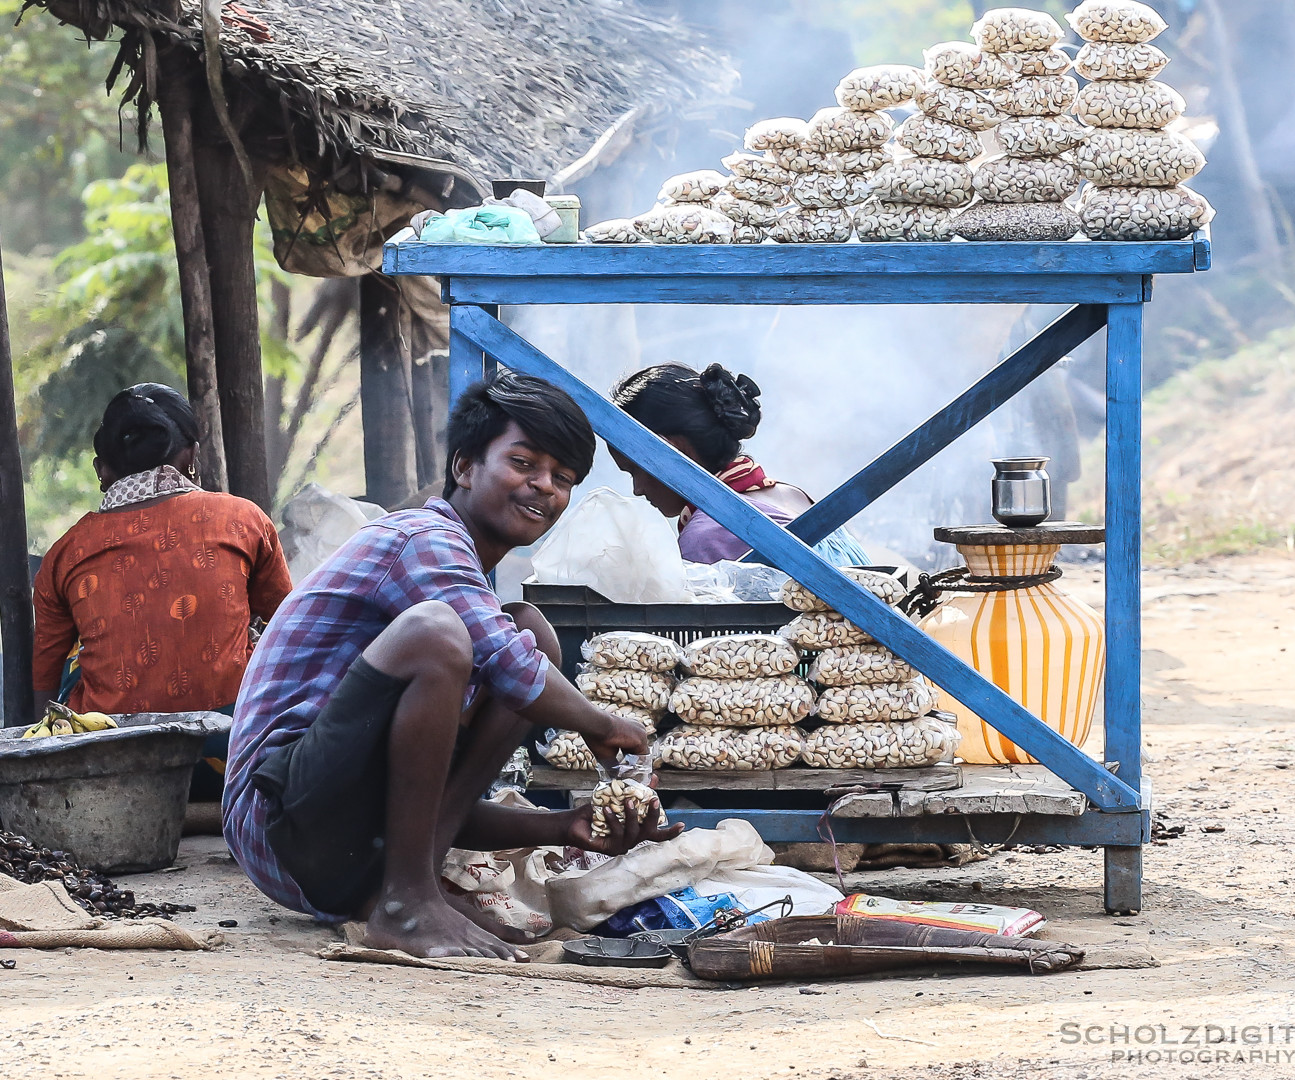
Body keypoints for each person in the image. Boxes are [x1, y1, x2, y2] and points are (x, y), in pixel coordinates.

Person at [224, 371, 681, 960]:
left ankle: (411, 888)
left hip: (344, 846)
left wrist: (562, 826)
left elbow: (419, 788)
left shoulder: (477, 583)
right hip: (278, 824)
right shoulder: (424, 538)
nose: (544, 486)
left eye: (562, 478)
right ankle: (405, 900)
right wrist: (602, 723)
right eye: (524, 463)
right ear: (465, 467)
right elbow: (510, 668)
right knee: (441, 633)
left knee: (531, 631)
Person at [31, 384, 292, 733]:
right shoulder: (243, 519)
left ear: (101, 470)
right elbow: (291, 626)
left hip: (113, 749)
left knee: (73, 647)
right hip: (233, 739)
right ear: (191, 457)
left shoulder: (66, 553)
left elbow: (45, 676)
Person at [610, 362, 871, 565]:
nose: (637, 489)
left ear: (670, 449)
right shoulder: (791, 494)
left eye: (636, 469)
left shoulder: (707, 537)